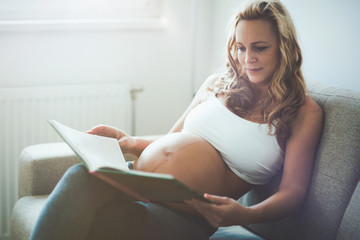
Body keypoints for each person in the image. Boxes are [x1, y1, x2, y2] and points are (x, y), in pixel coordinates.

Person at [30, 0, 323, 239]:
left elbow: (292, 193)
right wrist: (129, 142)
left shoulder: (302, 111)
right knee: (80, 175)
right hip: (137, 179)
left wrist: (244, 214)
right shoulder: (216, 83)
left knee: (107, 223)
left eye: (259, 47)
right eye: (240, 47)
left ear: (283, 46)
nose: (247, 58)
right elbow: (172, 139)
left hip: (186, 215)